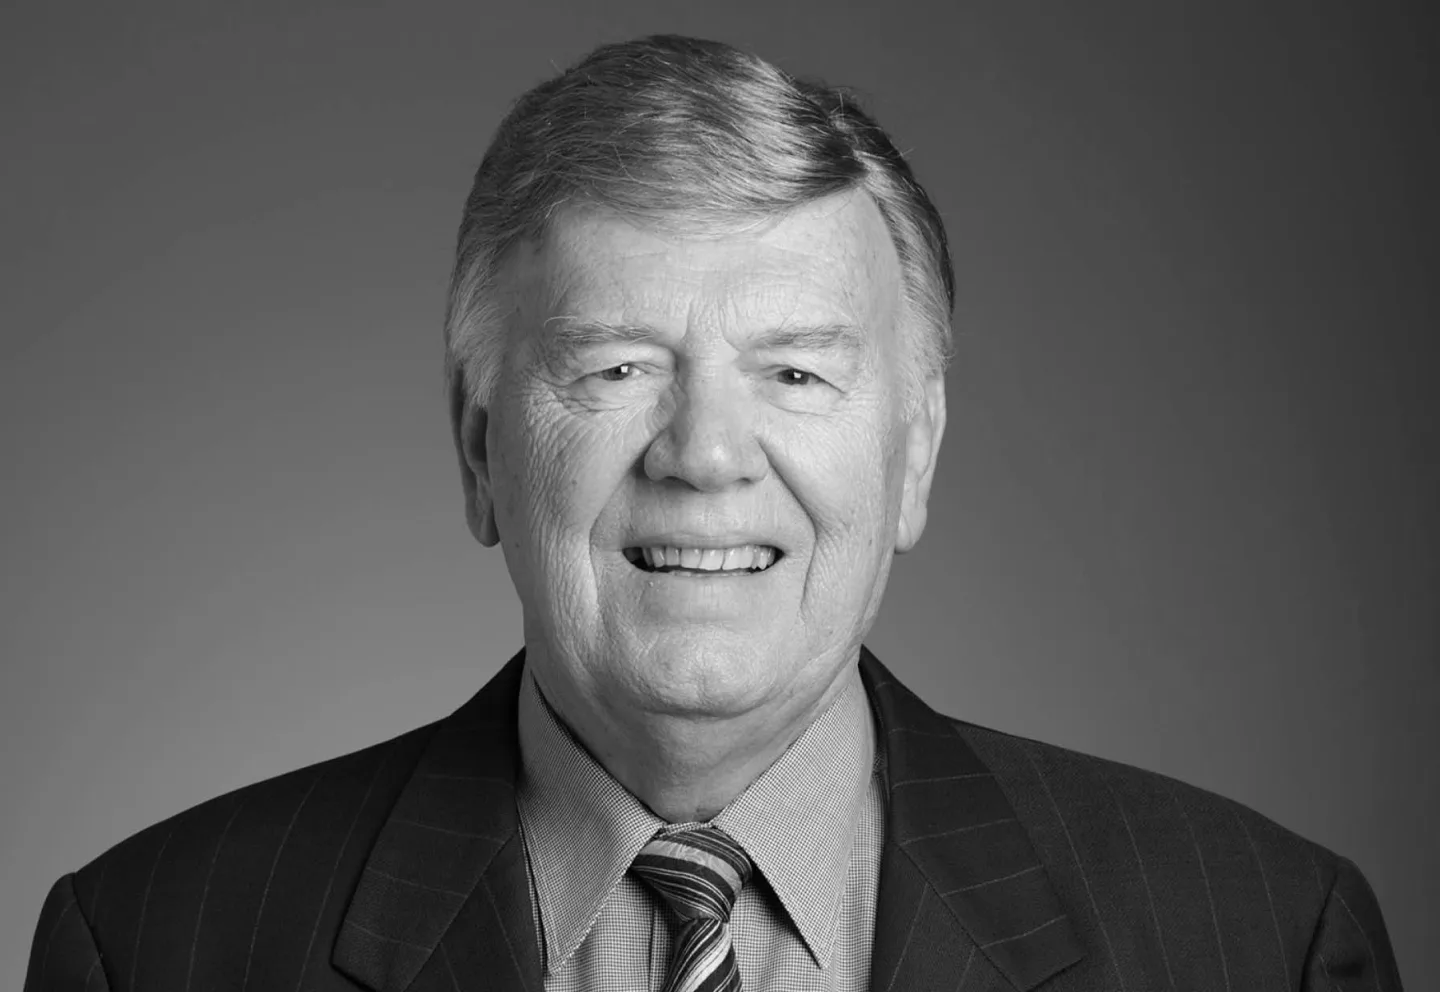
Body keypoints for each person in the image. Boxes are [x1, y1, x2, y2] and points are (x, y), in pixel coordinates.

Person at [25, 34, 1402, 992]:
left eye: (794, 372)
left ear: (915, 455)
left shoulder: (1262, 939)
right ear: (479, 449)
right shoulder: (153, 947)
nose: (704, 455)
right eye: (617, 368)